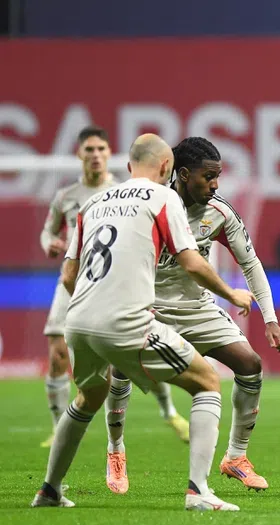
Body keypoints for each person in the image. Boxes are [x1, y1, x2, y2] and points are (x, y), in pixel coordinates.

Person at [31, 134, 253, 512]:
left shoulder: (93, 202)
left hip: (79, 318)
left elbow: (69, 273)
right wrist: (232, 295)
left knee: (88, 397)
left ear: (129, 165)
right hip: (125, 318)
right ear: (167, 168)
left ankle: (50, 490)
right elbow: (192, 261)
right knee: (207, 382)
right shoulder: (164, 197)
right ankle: (199, 491)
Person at [103, 137, 280, 495]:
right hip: (149, 305)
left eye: (218, 176)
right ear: (184, 174)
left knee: (249, 364)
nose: (216, 184)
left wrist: (270, 319)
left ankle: (236, 457)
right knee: (119, 370)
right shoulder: (150, 205)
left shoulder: (218, 212)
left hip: (197, 307)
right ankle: (116, 449)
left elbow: (250, 262)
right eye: (209, 177)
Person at [38, 127, 188, 448]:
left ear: (110, 154)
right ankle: (57, 427)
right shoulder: (66, 197)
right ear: (79, 154)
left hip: (114, 286)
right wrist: (50, 242)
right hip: (73, 282)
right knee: (57, 356)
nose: (95, 155)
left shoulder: (121, 192)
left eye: (101, 149)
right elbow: (47, 233)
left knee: (136, 353)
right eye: (89, 149)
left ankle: (168, 412)